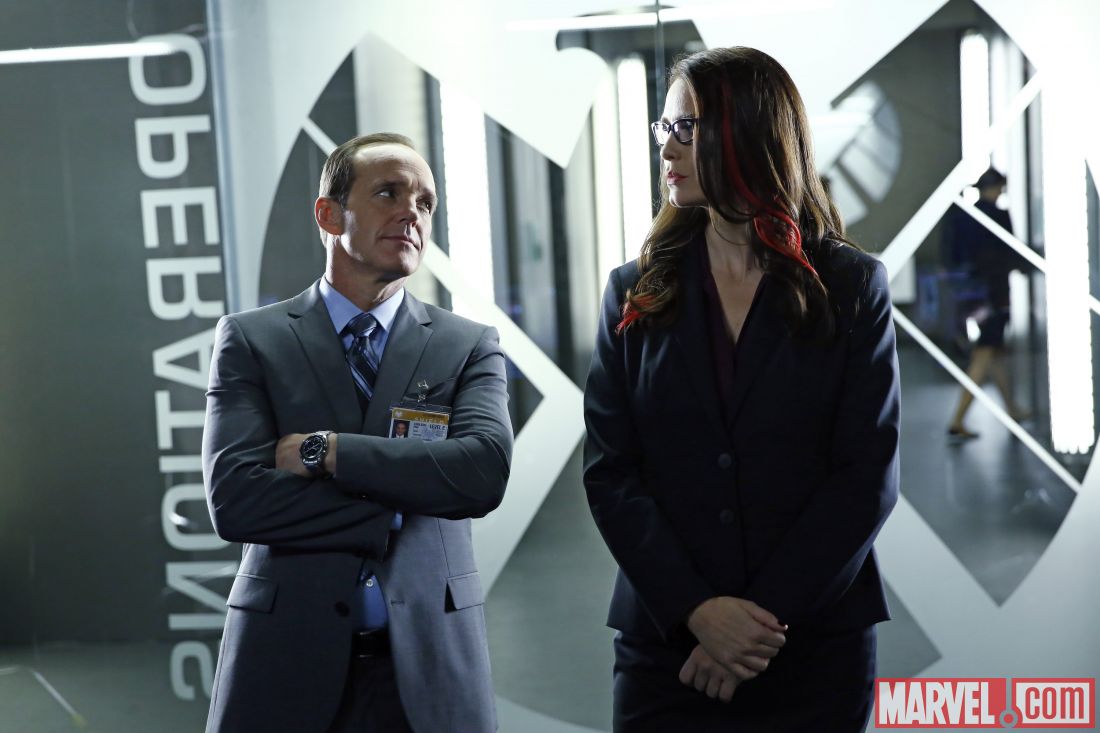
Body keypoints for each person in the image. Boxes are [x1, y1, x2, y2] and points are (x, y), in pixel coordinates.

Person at [583, 47, 900, 732]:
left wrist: (755, 625)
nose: (667, 147)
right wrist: (699, 612)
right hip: (668, 647)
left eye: (686, 128)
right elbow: (611, 472)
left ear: (750, 133)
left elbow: (865, 475)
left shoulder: (849, 286)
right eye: (664, 127)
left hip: (810, 646)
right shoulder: (633, 290)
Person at [201, 132, 513, 733]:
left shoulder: (468, 345)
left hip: (430, 667)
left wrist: (328, 452)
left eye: (425, 202)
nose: (411, 213)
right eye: (388, 193)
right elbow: (236, 501)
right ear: (329, 214)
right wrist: (399, 505)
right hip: (284, 664)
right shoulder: (252, 339)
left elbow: (480, 475)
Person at [947, 167, 1031, 440]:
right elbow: (1010, 253)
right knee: (984, 354)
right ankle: (958, 419)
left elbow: (955, 256)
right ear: (997, 187)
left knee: (994, 353)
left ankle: (1012, 408)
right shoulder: (998, 215)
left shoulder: (965, 216)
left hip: (970, 296)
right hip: (995, 295)